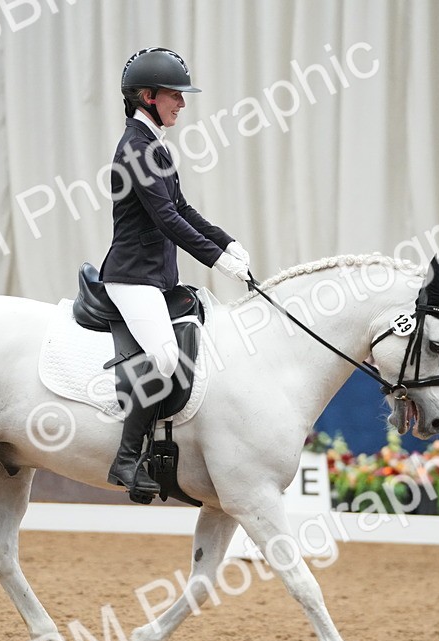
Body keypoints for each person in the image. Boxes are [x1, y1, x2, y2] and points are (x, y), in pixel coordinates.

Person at [99, 47, 250, 500]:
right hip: (132, 277)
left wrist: (227, 242)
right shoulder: (137, 149)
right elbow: (166, 219)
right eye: (173, 96)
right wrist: (216, 261)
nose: (181, 104)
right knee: (164, 359)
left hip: (157, 277)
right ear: (146, 96)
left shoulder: (154, 146)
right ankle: (127, 458)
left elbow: (183, 209)